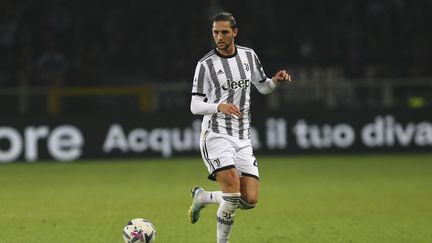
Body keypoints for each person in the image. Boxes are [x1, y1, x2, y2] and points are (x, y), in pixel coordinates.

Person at [188, 12, 291, 243]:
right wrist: (219, 106)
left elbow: (263, 87)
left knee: (250, 199)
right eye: (215, 32)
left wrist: (275, 81)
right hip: (216, 135)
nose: (219, 37)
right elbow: (195, 105)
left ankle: (203, 197)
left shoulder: (248, 56)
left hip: (242, 137)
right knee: (233, 192)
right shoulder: (205, 65)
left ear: (235, 32)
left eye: (224, 32)